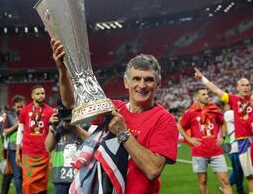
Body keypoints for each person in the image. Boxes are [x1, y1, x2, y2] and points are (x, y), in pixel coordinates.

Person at [51, 38, 179, 193]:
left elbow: (153, 169)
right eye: (136, 79)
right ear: (126, 82)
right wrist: (62, 70)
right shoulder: (113, 108)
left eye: (149, 80)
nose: (142, 85)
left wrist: (123, 132)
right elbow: (71, 105)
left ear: (158, 84)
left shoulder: (164, 119)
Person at [194, 68, 253, 194]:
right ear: (237, 88)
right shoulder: (233, 100)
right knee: (250, 176)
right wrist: (202, 79)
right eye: (242, 85)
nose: (245, 87)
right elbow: (216, 90)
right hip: (243, 142)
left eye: (247, 85)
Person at [177, 87, 232, 194]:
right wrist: (188, 138)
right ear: (197, 97)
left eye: (207, 94)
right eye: (203, 94)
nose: (207, 96)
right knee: (203, 181)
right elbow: (179, 125)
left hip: (216, 152)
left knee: (225, 181)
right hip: (199, 153)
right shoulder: (191, 112)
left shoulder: (214, 109)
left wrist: (223, 137)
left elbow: (223, 122)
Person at [16, 85, 55, 194]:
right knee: (28, 183)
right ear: (32, 96)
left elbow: (53, 134)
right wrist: (17, 152)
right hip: (28, 153)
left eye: (42, 93)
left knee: (42, 184)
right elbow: (20, 131)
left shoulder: (50, 111)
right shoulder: (25, 110)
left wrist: (52, 155)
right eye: (38, 94)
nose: (41, 95)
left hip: (44, 153)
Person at [45, 103, 89, 194]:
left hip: (79, 178)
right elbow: (48, 147)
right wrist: (52, 127)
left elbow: (91, 141)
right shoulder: (57, 130)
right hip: (60, 178)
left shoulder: (83, 127)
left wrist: (74, 127)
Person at [1, 95, 25, 194]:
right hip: (13, 149)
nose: (20, 109)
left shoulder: (28, 113)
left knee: (25, 175)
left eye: (21, 106)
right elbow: (5, 132)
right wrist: (17, 125)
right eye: (18, 107)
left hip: (27, 148)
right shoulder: (9, 115)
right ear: (14, 106)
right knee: (17, 175)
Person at [223, 104, 244, 194]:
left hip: (231, 143)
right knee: (238, 170)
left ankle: (240, 190)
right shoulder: (229, 113)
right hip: (233, 145)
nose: (224, 107)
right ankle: (227, 185)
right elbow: (242, 119)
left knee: (239, 170)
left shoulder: (228, 113)